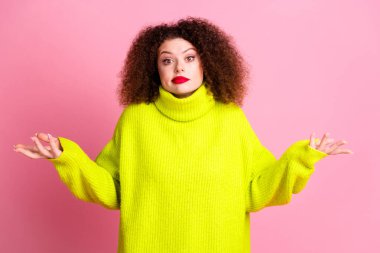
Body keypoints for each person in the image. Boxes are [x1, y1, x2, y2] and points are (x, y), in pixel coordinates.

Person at [13, 16, 353, 253]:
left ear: (207, 63)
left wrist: (302, 157)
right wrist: (65, 155)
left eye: (189, 58)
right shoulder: (136, 120)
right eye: (167, 60)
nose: (179, 68)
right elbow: (114, 191)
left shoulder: (230, 119)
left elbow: (255, 191)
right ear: (153, 68)